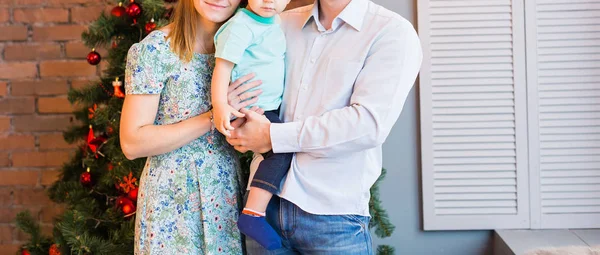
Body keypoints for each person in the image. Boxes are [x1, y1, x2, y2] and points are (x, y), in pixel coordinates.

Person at [226, 0, 423, 253]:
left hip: (334, 219)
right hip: (263, 210)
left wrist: (272, 136)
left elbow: (368, 124)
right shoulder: (280, 22)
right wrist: (234, 104)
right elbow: (250, 80)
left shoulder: (391, 32)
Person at [119, 0, 265, 253]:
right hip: (171, 202)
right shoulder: (155, 50)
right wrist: (213, 116)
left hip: (225, 197)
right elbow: (132, 142)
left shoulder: (248, 49)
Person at [210, 0, 292, 250]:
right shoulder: (241, 26)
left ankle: (256, 212)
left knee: (279, 150)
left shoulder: (274, 21)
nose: (270, 1)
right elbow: (222, 69)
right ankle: (253, 214)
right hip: (250, 110)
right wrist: (220, 106)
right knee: (281, 150)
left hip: (268, 106)